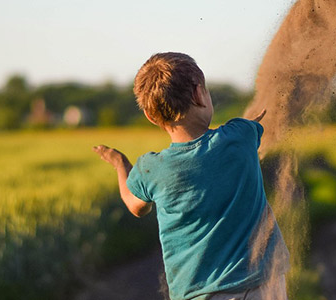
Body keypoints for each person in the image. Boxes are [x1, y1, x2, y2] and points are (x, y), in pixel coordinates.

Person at [93, 52, 289, 300]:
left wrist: (121, 164)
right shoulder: (241, 134)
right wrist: (245, 125)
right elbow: (243, 130)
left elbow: (136, 206)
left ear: (150, 116)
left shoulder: (150, 169)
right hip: (265, 284)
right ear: (198, 93)